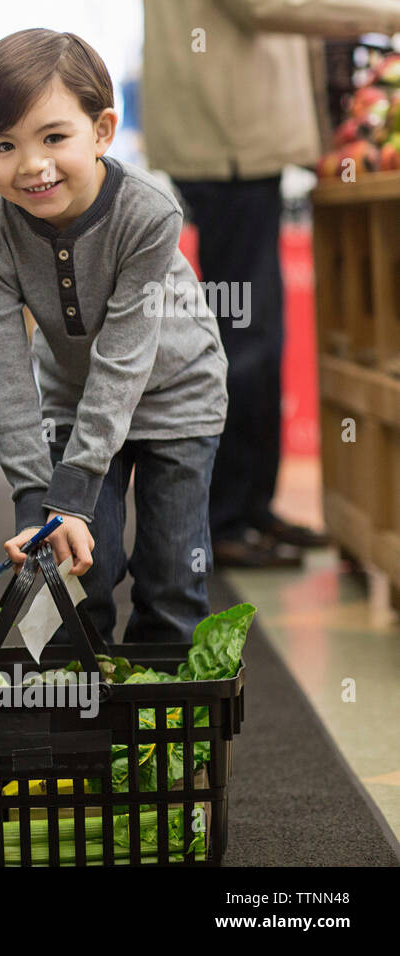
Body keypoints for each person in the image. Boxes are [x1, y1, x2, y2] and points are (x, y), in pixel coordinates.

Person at [0, 29, 229, 643]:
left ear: (103, 130)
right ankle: (86, 720)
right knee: (78, 570)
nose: (31, 164)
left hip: (176, 397)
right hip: (74, 400)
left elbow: (123, 358)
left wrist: (73, 491)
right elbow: (5, 372)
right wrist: (37, 505)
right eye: (4, 145)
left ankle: (162, 728)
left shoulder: (149, 212)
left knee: (170, 577)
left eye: (54, 136)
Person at [142, 0, 400, 567]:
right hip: (226, 145)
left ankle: (251, 507)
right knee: (244, 340)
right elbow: (269, 5)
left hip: (235, 144)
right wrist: (388, 13)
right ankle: (225, 517)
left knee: (253, 333)